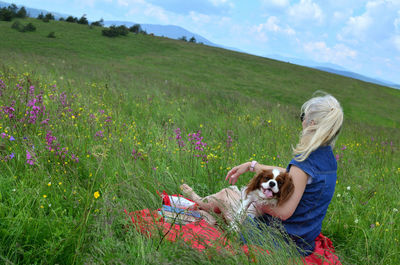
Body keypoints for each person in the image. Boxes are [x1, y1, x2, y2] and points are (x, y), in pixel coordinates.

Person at [181, 92, 343, 256]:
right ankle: (209, 207)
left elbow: (284, 213)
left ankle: (198, 201)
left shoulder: (305, 161)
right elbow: (292, 175)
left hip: (277, 242)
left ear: (311, 124)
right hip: (303, 241)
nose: (301, 121)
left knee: (227, 194)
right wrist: (253, 166)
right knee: (238, 199)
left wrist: (252, 198)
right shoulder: (328, 160)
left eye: (303, 117)